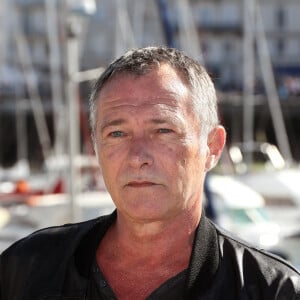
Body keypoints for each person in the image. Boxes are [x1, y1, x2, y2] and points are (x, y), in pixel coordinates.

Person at [0, 46, 299, 300]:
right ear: (96, 148)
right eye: (117, 133)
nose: (137, 157)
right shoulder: (25, 270)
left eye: (163, 130)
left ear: (212, 147)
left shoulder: (272, 290)